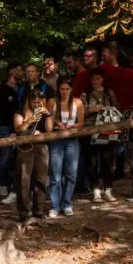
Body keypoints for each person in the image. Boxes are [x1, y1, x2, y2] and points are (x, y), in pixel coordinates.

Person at [14, 89, 52, 220]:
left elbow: (49, 129)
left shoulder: (45, 113)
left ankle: (39, 211)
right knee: (23, 180)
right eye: (34, 102)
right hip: (25, 148)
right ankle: (23, 213)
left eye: (39, 102)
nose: (36, 105)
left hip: (42, 147)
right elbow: (18, 128)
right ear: (29, 102)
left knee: (41, 179)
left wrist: (48, 115)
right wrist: (30, 120)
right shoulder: (20, 112)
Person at [82, 70, 120, 202]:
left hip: (106, 130)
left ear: (103, 79)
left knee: (107, 162)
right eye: (93, 79)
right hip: (89, 131)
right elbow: (80, 114)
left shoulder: (109, 93)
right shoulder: (85, 94)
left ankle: (108, 189)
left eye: (98, 79)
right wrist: (90, 109)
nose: (95, 82)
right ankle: (96, 190)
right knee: (92, 163)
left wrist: (108, 110)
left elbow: (117, 109)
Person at [47, 79, 83, 217]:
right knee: (55, 175)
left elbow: (81, 123)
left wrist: (71, 126)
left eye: (67, 89)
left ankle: (67, 204)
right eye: (62, 89)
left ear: (71, 89)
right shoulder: (52, 101)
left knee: (71, 174)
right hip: (56, 139)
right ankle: (54, 206)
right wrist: (57, 122)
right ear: (58, 89)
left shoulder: (78, 102)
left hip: (72, 140)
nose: (65, 92)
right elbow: (48, 118)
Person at [0, 67, 22, 203]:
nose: (21, 73)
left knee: (15, 157)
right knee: (5, 156)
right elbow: (0, 111)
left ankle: (13, 185)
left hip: (17, 127)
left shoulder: (19, 89)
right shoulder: (1, 91)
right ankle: (2, 184)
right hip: (5, 126)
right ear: (11, 74)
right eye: (18, 70)